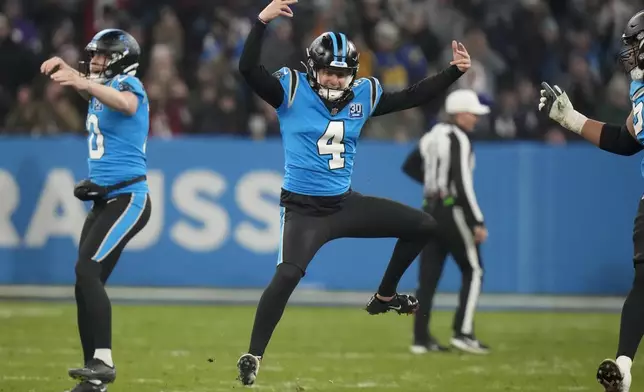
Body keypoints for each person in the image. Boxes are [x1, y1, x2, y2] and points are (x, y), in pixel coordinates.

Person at [236, 0, 471, 385]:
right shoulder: (290, 90)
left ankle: (385, 296)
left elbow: (411, 95)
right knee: (287, 277)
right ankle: (253, 355)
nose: (333, 80)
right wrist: (262, 21)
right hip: (304, 211)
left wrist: (453, 73)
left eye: (341, 74)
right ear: (312, 70)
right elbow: (248, 69)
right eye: (327, 72)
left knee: (424, 225)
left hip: (344, 204)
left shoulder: (364, 93)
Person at [40, 29, 151, 392]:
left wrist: (77, 78)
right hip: (105, 197)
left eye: (103, 56)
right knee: (84, 283)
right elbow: (97, 91)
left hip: (129, 197)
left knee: (87, 270)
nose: (96, 62)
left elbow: (126, 105)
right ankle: (94, 378)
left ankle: (103, 361)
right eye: (95, 56)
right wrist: (73, 74)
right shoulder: (104, 85)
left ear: (121, 59)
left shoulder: (130, 85)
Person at [539, 10, 644, 392]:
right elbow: (626, 141)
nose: (629, 53)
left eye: (634, 45)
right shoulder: (641, 89)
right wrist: (572, 119)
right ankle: (623, 367)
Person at [402, 89, 490, 355]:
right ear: (460, 114)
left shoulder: (431, 136)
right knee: (473, 270)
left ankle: (420, 338)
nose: (475, 119)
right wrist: (477, 220)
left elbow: (409, 165)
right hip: (451, 210)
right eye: (472, 114)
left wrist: (432, 185)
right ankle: (463, 332)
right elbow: (461, 183)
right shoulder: (459, 138)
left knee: (427, 279)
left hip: (429, 209)